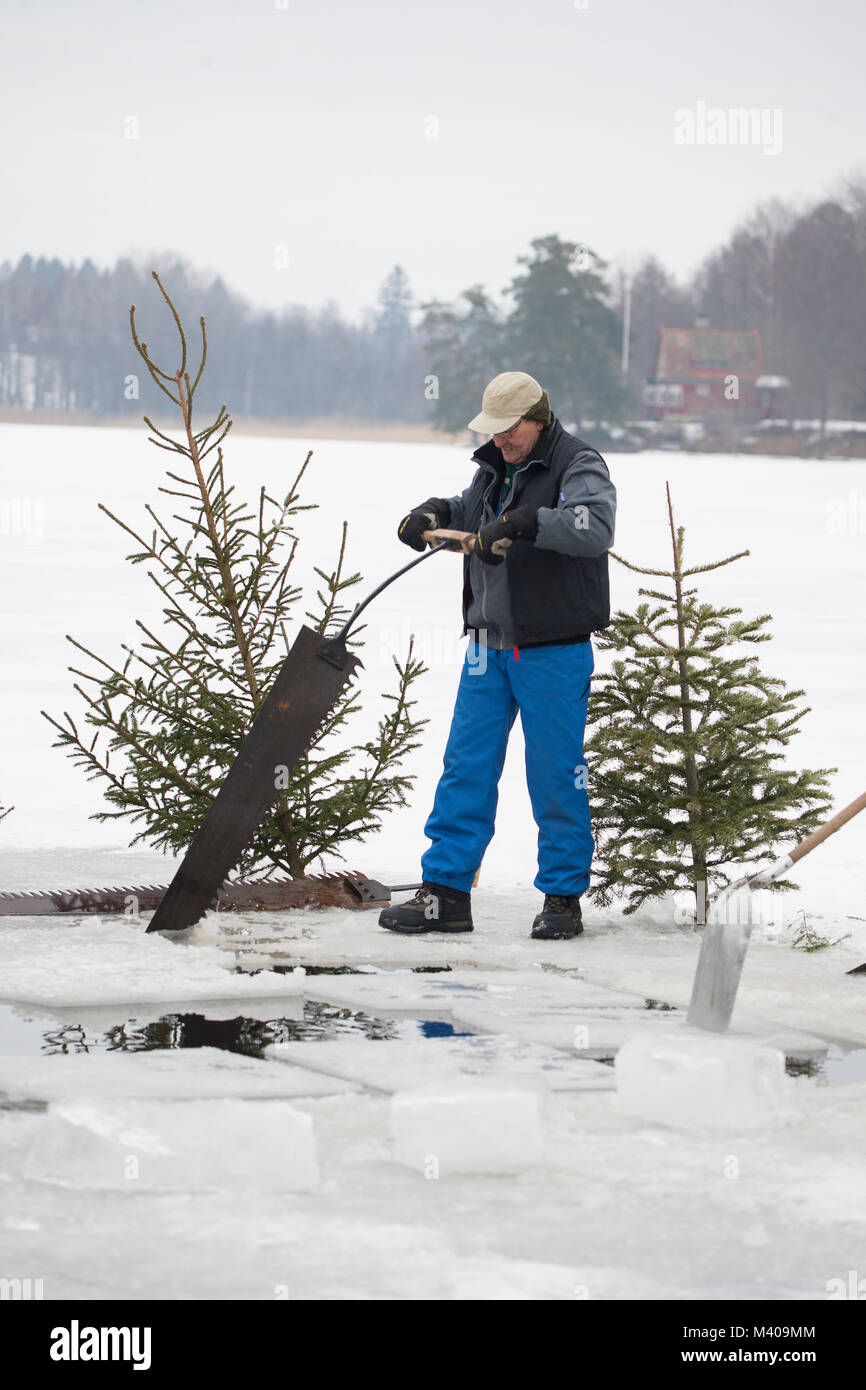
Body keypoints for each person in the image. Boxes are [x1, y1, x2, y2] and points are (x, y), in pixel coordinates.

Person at [379, 371, 617, 940]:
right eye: (496, 431)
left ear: (538, 420)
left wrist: (527, 522)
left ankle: (562, 899)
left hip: (551, 648)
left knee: (557, 775)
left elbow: (596, 525)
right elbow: (469, 511)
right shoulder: (493, 469)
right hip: (487, 647)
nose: (503, 440)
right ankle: (445, 894)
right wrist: (433, 515)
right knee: (467, 766)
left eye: (510, 431)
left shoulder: (578, 463)